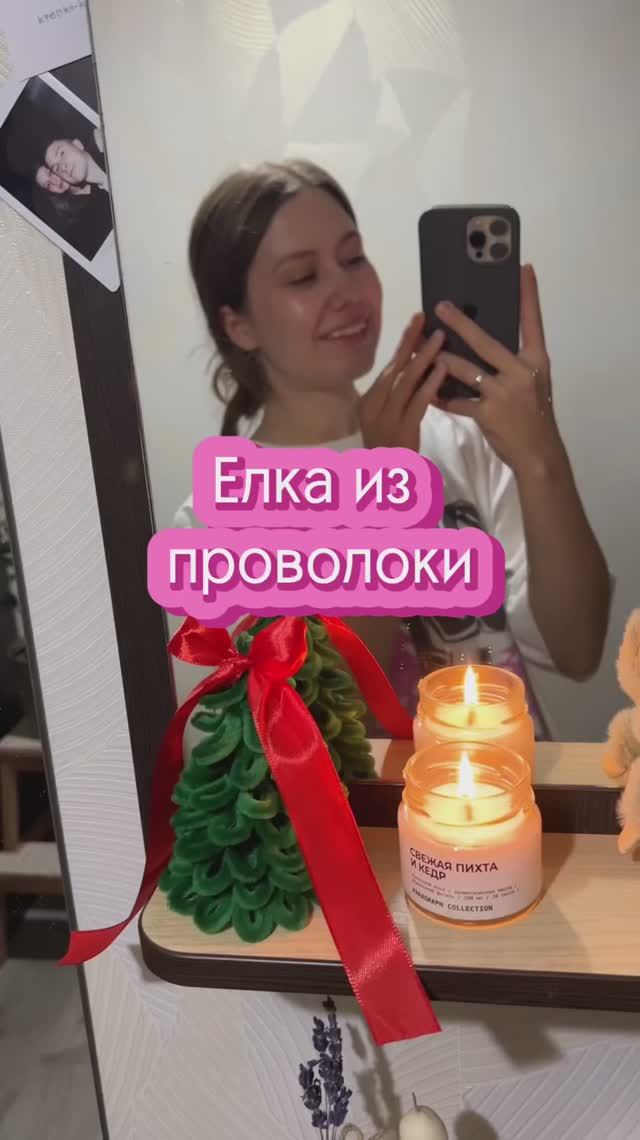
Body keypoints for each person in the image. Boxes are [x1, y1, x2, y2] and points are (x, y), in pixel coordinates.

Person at [175, 159, 612, 738]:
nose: (347, 291)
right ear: (239, 326)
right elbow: (319, 734)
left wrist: (541, 457)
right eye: (303, 277)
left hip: (516, 786)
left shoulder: (458, 437)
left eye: (353, 258)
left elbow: (579, 652)